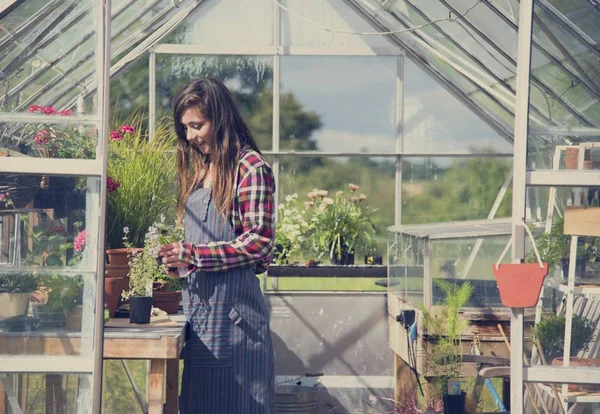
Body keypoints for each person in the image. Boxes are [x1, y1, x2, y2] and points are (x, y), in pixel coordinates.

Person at [158, 78, 275, 413]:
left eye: (198, 125)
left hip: (236, 328)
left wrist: (194, 254)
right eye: (186, 128)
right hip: (200, 321)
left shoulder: (249, 167)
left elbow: (259, 242)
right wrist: (178, 260)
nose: (191, 135)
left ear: (220, 119)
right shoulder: (202, 168)